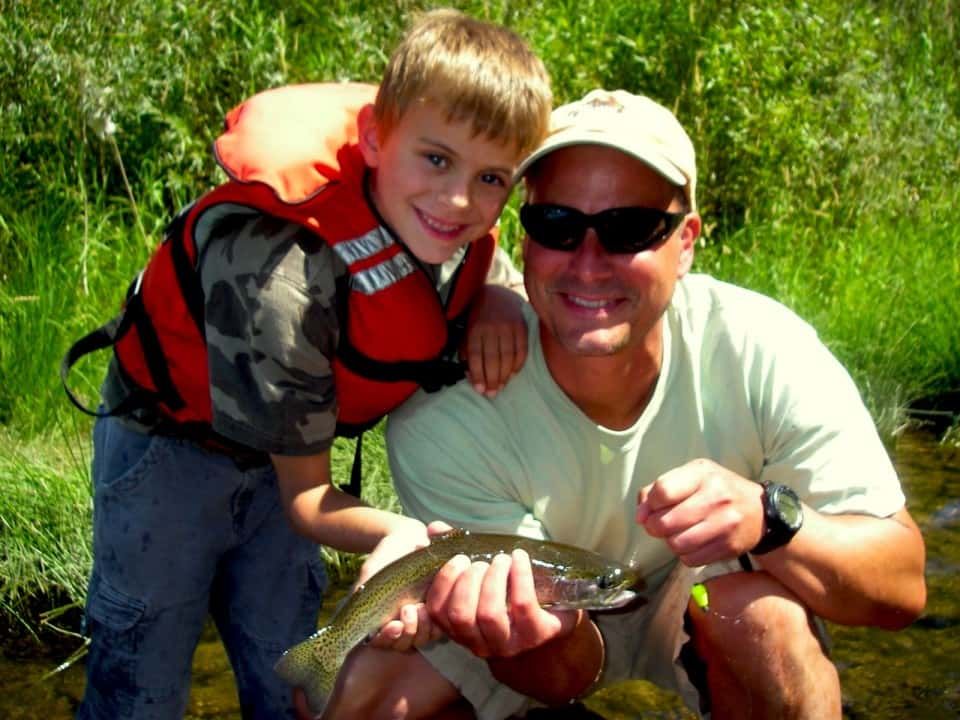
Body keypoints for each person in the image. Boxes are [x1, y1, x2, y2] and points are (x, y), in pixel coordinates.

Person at [322, 89, 927, 719]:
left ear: (686, 241)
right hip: (564, 621)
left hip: (699, 594)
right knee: (355, 698)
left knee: (767, 625)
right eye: (557, 225)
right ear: (523, 237)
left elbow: (901, 590)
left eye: (629, 228)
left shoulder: (762, 347)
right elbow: (567, 673)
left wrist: (772, 521)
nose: (589, 264)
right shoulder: (447, 413)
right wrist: (523, 633)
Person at [62, 9, 551, 719]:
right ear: (376, 138)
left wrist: (502, 293)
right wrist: (400, 535)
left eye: (492, 178)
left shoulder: (449, 221)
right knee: (140, 673)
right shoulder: (277, 273)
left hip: (285, 463)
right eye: (437, 160)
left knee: (292, 669)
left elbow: (481, 248)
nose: (459, 200)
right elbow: (306, 501)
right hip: (169, 456)